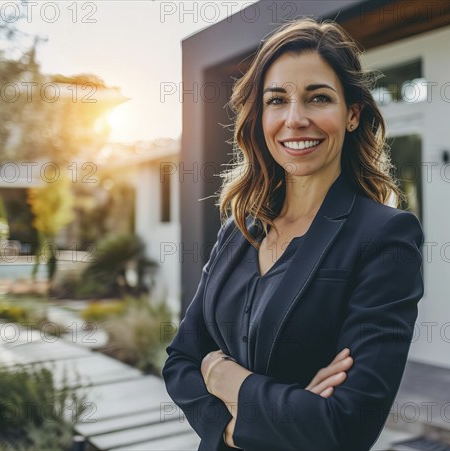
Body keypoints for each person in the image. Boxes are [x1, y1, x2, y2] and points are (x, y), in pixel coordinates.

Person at [163, 17, 424, 451]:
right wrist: (233, 429)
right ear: (260, 115)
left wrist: (232, 382)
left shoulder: (386, 237)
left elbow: (344, 427)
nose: (295, 119)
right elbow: (180, 362)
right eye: (277, 100)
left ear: (352, 114)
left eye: (318, 98)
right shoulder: (238, 229)